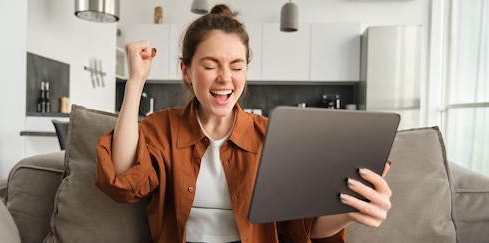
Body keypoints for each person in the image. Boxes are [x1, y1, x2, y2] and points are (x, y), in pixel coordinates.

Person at [95, 4, 392, 243]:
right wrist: (135, 81)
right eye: (210, 66)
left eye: (236, 66)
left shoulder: (273, 137)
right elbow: (122, 180)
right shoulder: (161, 128)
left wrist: (352, 210)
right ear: (185, 70)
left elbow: (302, 226)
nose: (225, 78)